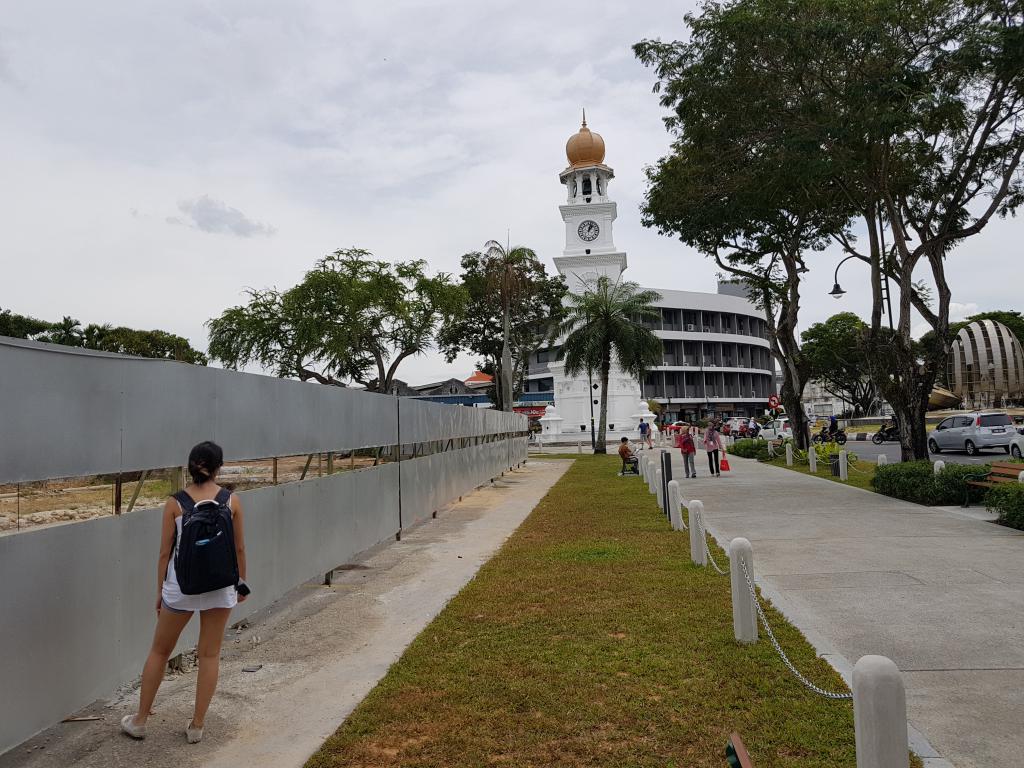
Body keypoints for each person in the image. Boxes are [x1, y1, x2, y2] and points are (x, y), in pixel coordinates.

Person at [121, 441, 248, 744]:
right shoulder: (232, 501)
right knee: (210, 654)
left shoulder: (174, 504)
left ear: (190, 466)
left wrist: (160, 593)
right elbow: (239, 548)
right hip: (220, 587)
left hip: (181, 589)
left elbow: (164, 554)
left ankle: (139, 721)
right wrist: (241, 582)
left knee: (160, 651)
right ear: (219, 467)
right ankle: (197, 726)